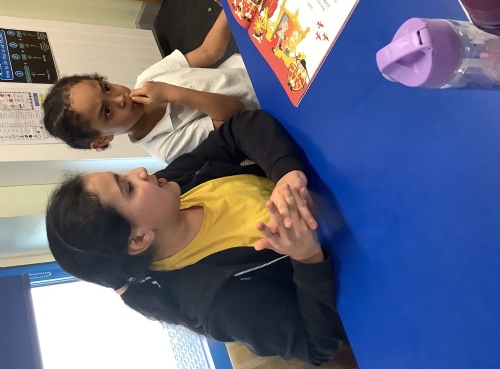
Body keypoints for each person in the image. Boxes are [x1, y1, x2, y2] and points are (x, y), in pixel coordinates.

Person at [46, 110, 348, 365]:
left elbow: (238, 128)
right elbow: (316, 345)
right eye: (128, 188)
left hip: (343, 190)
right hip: (356, 265)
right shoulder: (216, 303)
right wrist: (307, 258)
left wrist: (284, 172)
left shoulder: (173, 186)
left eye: (122, 175)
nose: (139, 171)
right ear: (138, 240)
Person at [42, 10, 260, 163]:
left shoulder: (147, 78)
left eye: (106, 88)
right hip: (266, 107)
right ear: (102, 139)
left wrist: (229, 5)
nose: (120, 98)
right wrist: (174, 94)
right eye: (107, 111)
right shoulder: (167, 148)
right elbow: (236, 113)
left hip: (251, 68)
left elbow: (208, 52)